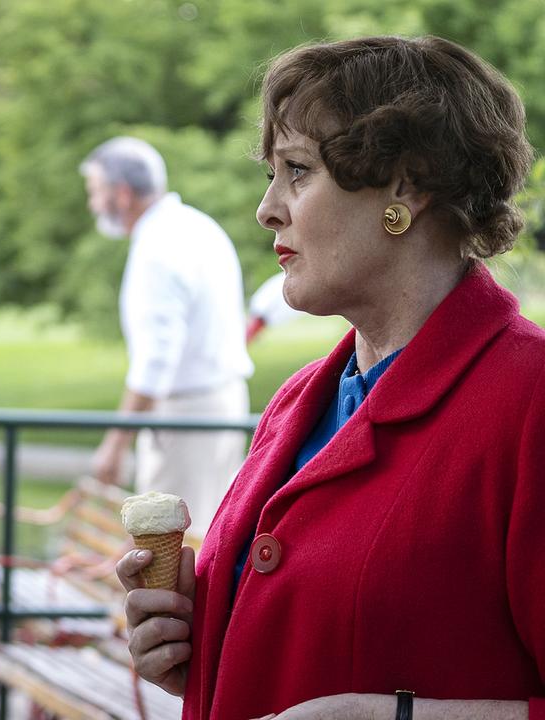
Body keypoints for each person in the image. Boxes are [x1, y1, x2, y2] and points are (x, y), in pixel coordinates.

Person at [119, 36, 545, 719]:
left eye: (296, 170)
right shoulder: (296, 401)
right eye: (271, 174)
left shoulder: (531, 402)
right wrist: (204, 644)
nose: (268, 210)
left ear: (406, 185)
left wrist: (397, 717)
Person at [81, 137, 254, 537]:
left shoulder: (158, 247)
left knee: (168, 550)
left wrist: (115, 444)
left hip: (186, 416)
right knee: (207, 535)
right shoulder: (196, 226)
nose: (92, 204)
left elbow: (156, 361)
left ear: (121, 195)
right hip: (221, 406)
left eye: (95, 192)